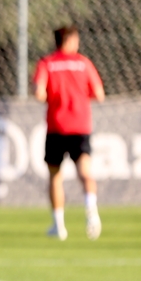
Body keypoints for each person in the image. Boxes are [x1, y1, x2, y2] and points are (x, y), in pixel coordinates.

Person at [34, 25, 105, 241]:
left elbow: (39, 93)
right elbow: (99, 94)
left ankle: (59, 226)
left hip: (56, 126)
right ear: (71, 40)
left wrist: (54, 96)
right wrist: (79, 97)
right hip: (80, 125)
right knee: (85, 172)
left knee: (55, 176)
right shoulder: (84, 63)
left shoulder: (47, 63)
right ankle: (92, 213)